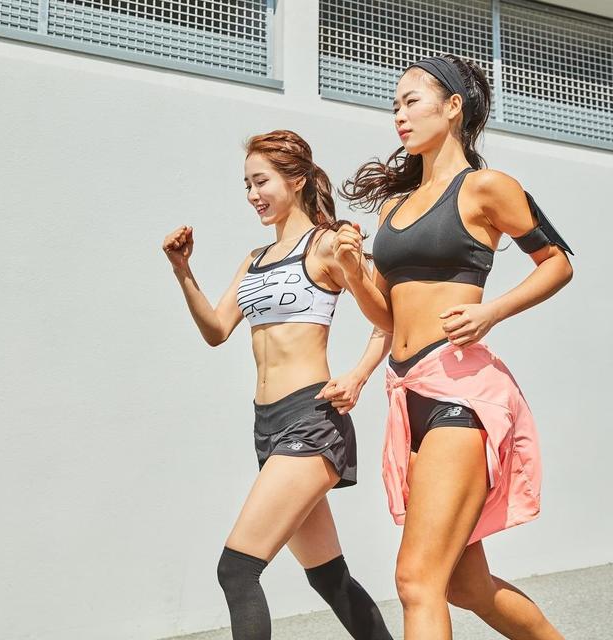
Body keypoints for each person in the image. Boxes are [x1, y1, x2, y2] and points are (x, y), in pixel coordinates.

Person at [320, 54, 573, 640]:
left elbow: (557, 263)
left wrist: (491, 311)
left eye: (411, 102)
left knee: (417, 581)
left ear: (453, 107)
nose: (399, 116)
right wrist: (354, 274)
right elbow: (386, 316)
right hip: (408, 396)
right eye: (395, 106)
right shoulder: (393, 207)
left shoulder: (487, 187)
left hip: (463, 393)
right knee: (465, 585)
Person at [162, 130, 393, 640]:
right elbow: (217, 331)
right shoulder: (255, 259)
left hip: (311, 420)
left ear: (298, 180)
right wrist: (183, 272)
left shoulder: (329, 243)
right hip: (267, 426)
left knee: (237, 569)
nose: (252, 194)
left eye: (261, 181)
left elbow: (388, 319)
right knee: (329, 577)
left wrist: (358, 374)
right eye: (246, 184)